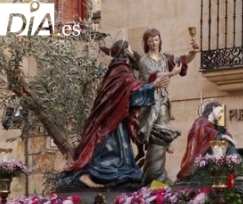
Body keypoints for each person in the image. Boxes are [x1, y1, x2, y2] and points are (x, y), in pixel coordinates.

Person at [60, 40, 171, 189]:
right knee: (111, 155)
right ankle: (86, 174)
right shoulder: (122, 71)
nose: (132, 52)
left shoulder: (114, 70)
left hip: (111, 117)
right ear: (125, 51)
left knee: (115, 155)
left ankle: (88, 174)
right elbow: (131, 93)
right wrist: (153, 86)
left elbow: (123, 92)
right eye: (130, 49)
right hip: (113, 121)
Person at [137, 27, 198, 185]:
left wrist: (194, 50)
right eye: (151, 40)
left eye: (156, 39)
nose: (154, 43)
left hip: (163, 100)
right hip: (150, 104)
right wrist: (172, 73)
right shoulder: (144, 61)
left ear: (160, 40)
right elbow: (153, 78)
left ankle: (157, 176)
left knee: (163, 131)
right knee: (155, 133)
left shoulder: (165, 58)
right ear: (147, 43)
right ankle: (154, 177)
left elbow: (184, 60)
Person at [176, 101, 239, 181]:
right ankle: (238, 172)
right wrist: (222, 136)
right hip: (200, 153)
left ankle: (236, 171)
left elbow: (222, 133)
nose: (221, 115)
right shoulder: (201, 121)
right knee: (224, 143)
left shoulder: (215, 125)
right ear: (213, 109)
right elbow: (203, 132)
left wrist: (225, 135)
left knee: (226, 144)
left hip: (211, 153)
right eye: (220, 111)